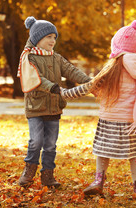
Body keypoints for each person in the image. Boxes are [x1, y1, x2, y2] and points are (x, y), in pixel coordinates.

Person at [61, 20, 136, 199]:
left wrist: (65, 94)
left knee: (103, 151)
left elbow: (89, 87)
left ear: (118, 45)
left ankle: (98, 182)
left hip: (109, 118)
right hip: (129, 121)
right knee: (135, 155)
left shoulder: (113, 67)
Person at [17, 16, 92, 188]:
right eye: (48, 37)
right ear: (37, 38)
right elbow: (36, 79)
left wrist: (89, 82)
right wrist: (54, 88)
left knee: (50, 145)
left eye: (54, 37)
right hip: (35, 107)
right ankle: (29, 171)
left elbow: (71, 70)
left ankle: (48, 176)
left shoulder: (56, 58)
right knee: (36, 141)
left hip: (53, 108)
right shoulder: (29, 58)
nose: (52, 40)